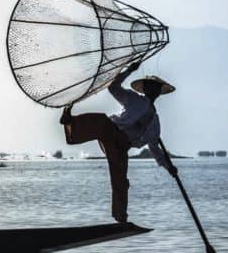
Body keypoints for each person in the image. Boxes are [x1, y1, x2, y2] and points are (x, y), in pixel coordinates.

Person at [59, 61, 177, 223]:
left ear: (158, 92)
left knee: (121, 182)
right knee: (101, 121)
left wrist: (169, 167)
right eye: (150, 86)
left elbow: (155, 150)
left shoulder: (155, 123)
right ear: (145, 89)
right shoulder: (134, 98)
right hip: (111, 132)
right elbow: (113, 87)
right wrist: (129, 70)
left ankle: (120, 217)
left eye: (156, 88)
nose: (153, 90)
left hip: (122, 147)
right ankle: (70, 123)